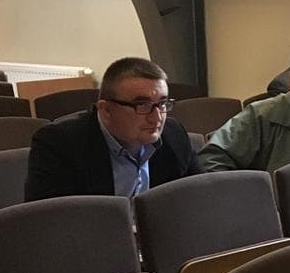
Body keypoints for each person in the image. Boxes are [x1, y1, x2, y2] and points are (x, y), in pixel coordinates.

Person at [25, 57, 201, 201]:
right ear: (106, 110)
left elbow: (199, 200)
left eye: (162, 104)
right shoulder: (59, 144)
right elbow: (50, 222)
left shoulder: (174, 134)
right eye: (142, 105)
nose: (157, 118)